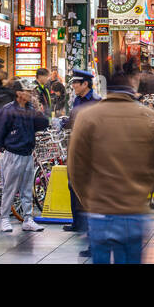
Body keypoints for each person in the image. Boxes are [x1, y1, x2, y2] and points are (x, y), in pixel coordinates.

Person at [67, 59, 154, 264]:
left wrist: (88, 200)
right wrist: (142, 192)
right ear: (131, 86)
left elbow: (75, 167)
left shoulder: (87, 117)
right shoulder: (147, 117)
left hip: (99, 209)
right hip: (134, 210)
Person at [0, 79, 48, 233]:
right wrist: (8, 145)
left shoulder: (31, 109)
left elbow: (43, 123)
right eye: (27, 91)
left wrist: (38, 109)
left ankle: (28, 218)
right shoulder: (7, 110)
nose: (31, 94)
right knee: (9, 188)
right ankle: (4, 218)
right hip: (12, 153)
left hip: (28, 153)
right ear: (18, 93)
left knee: (27, 189)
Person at [64, 69, 100, 244]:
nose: (73, 86)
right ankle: (77, 222)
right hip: (75, 149)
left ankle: (90, 224)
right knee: (73, 185)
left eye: (75, 83)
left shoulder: (96, 102)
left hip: (91, 151)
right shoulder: (77, 100)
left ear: (85, 84)